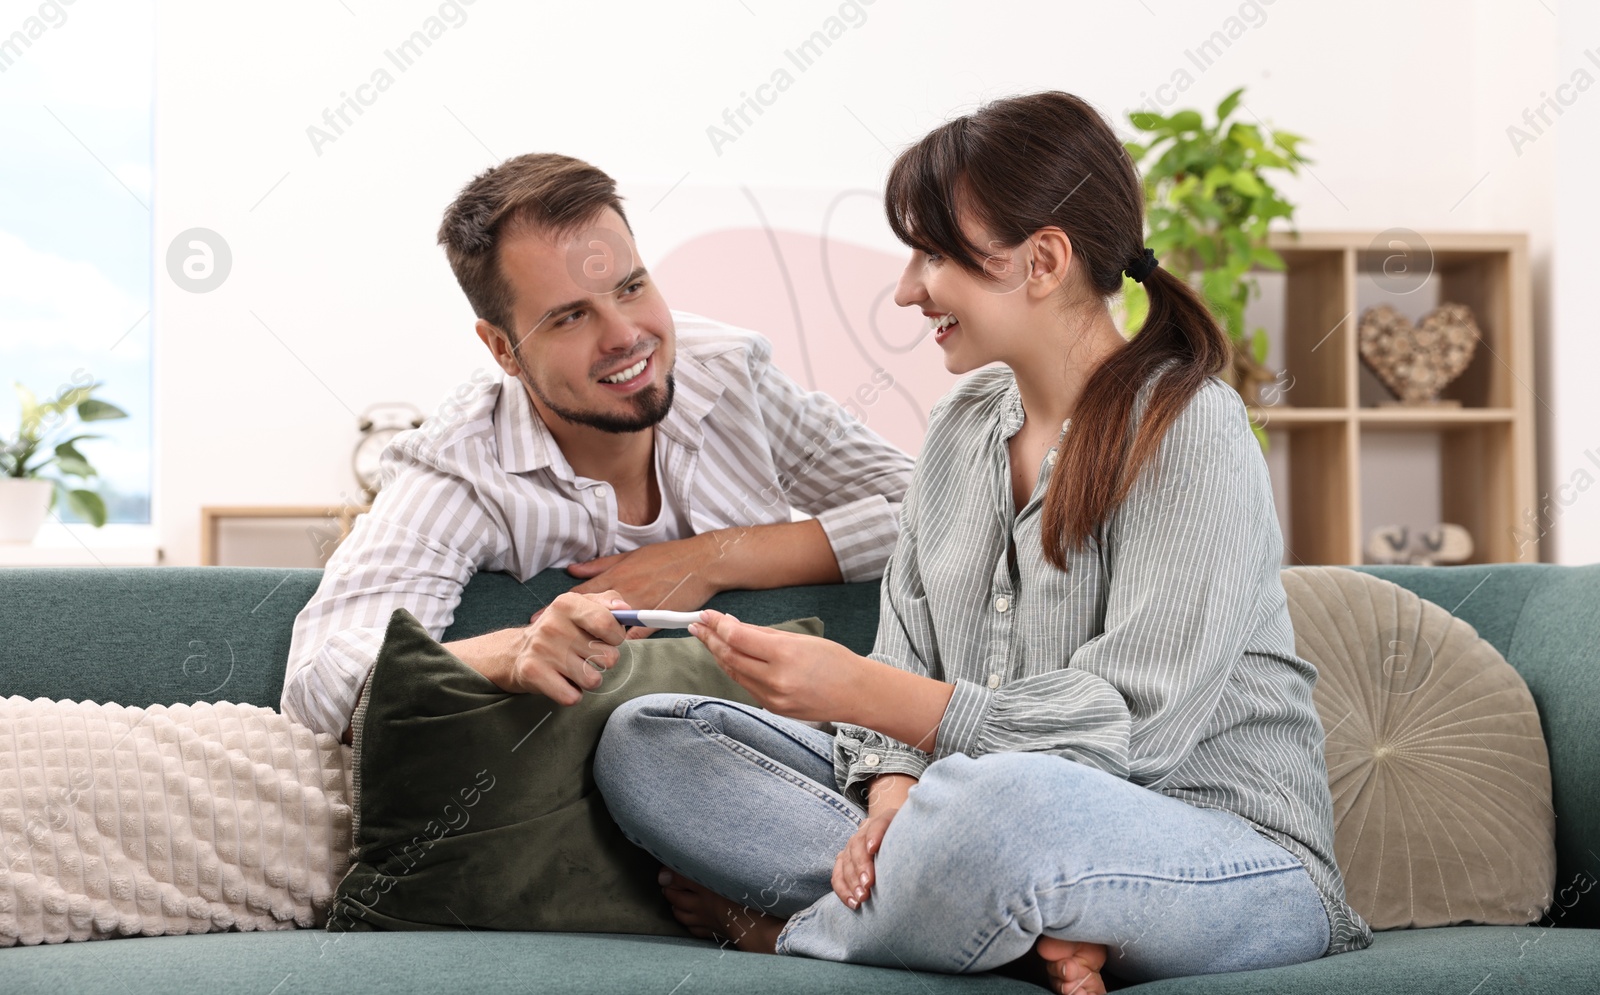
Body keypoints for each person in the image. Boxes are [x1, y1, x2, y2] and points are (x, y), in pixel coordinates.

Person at [593, 91, 1373, 993]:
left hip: (1219, 849)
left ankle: (791, 934)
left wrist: (875, 698)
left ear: (1043, 260)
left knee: (1001, 804)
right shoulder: (960, 427)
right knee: (651, 737)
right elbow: (908, 657)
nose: (907, 288)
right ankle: (994, 922)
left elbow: (1136, 726)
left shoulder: (1191, 428)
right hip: (982, 818)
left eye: (932, 254)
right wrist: (891, 793)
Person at [280, 152, 915, 741]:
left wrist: (718, 558)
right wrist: (511, 653)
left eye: (632, 288)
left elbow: (954, 510)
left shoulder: (723, 376)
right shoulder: (462, 467)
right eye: (570, 317)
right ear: (503, 348)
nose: (626, 337)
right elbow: (317, 685)